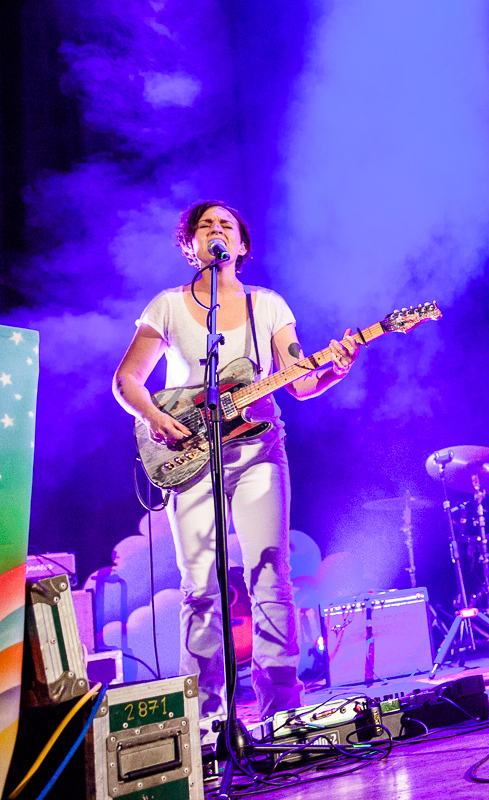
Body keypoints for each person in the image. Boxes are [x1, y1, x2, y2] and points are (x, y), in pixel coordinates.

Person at [113, 201, 360, 721]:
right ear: (190, 247)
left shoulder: (267, 305)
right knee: (199, 584)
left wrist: (335, 369)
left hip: (259, 452)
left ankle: (281, 713)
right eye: (206, 226)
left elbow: (302, 380)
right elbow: (127, 381)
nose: (217, 231)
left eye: (227, 226)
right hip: (192, 453)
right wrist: (155, 417)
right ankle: (205, 720)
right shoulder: (166, 306)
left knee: (270, 574)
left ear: (242, 246)